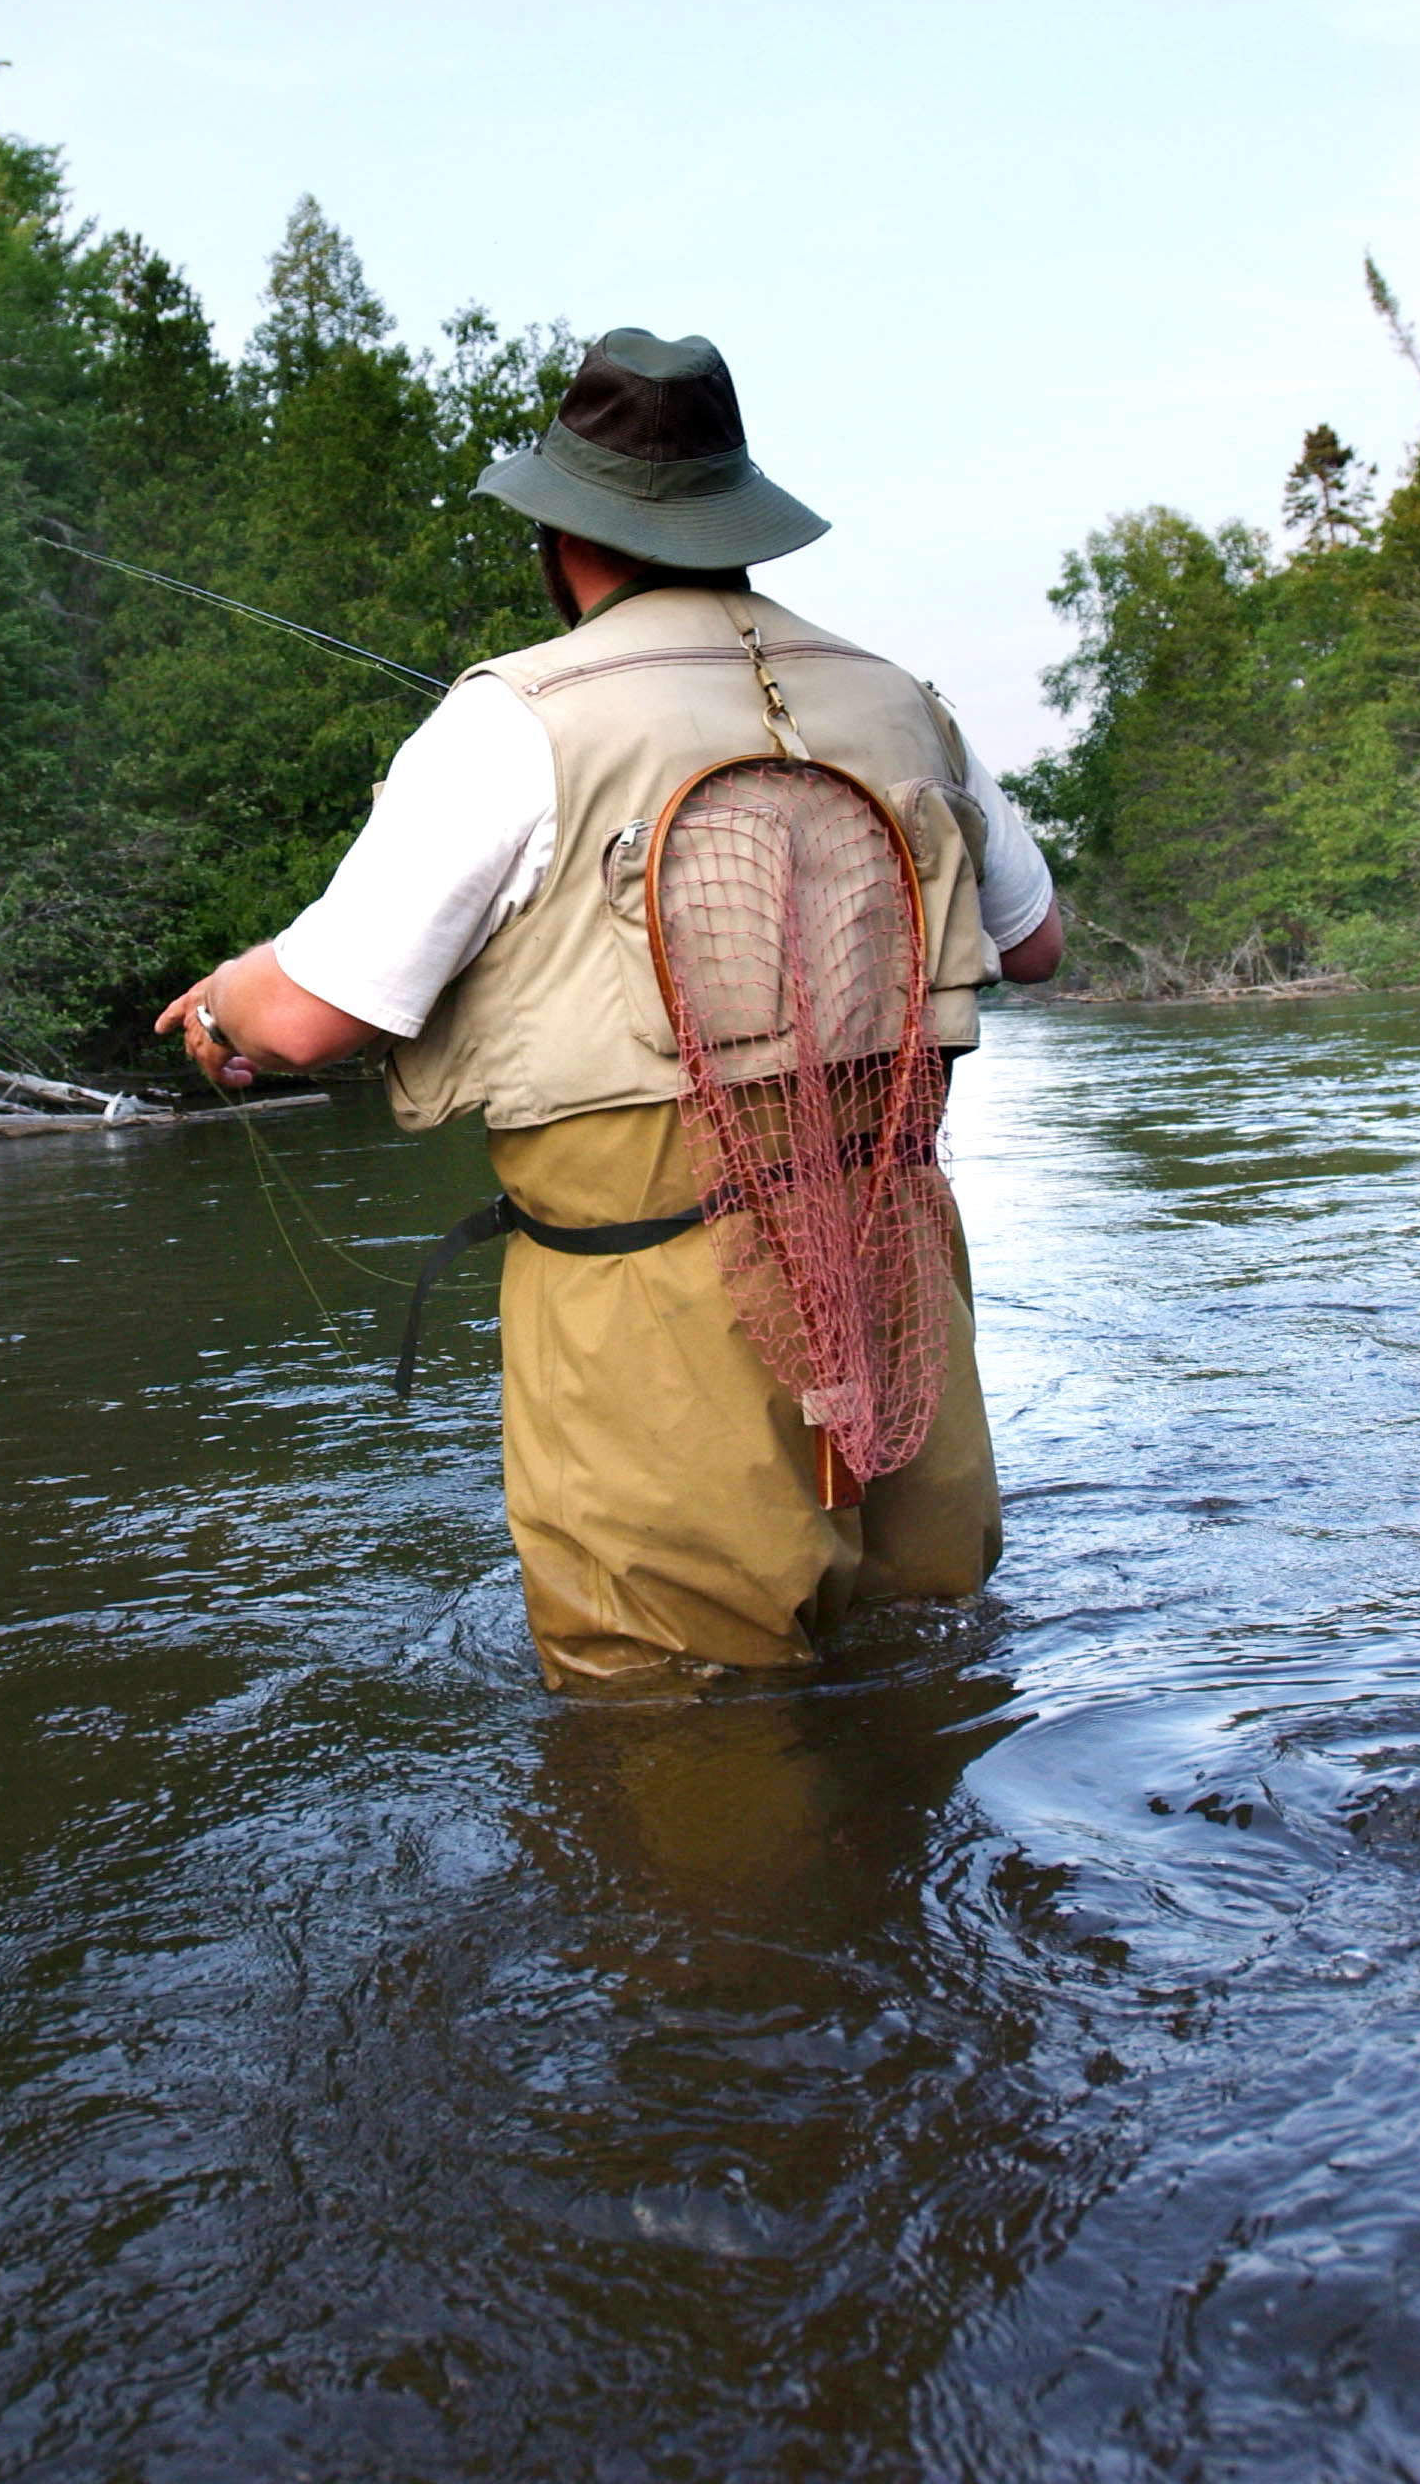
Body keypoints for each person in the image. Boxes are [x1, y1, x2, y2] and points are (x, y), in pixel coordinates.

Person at [157, 329, 1062, 1691]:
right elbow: (1036, 945)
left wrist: (221, 1003)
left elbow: (305, 1020)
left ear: (562, 538)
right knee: (923, 1700)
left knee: (684, 1757)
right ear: (734, 518)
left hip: (654, 1325)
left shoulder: (509, 719)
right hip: (898, 1282)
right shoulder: (904, 700)